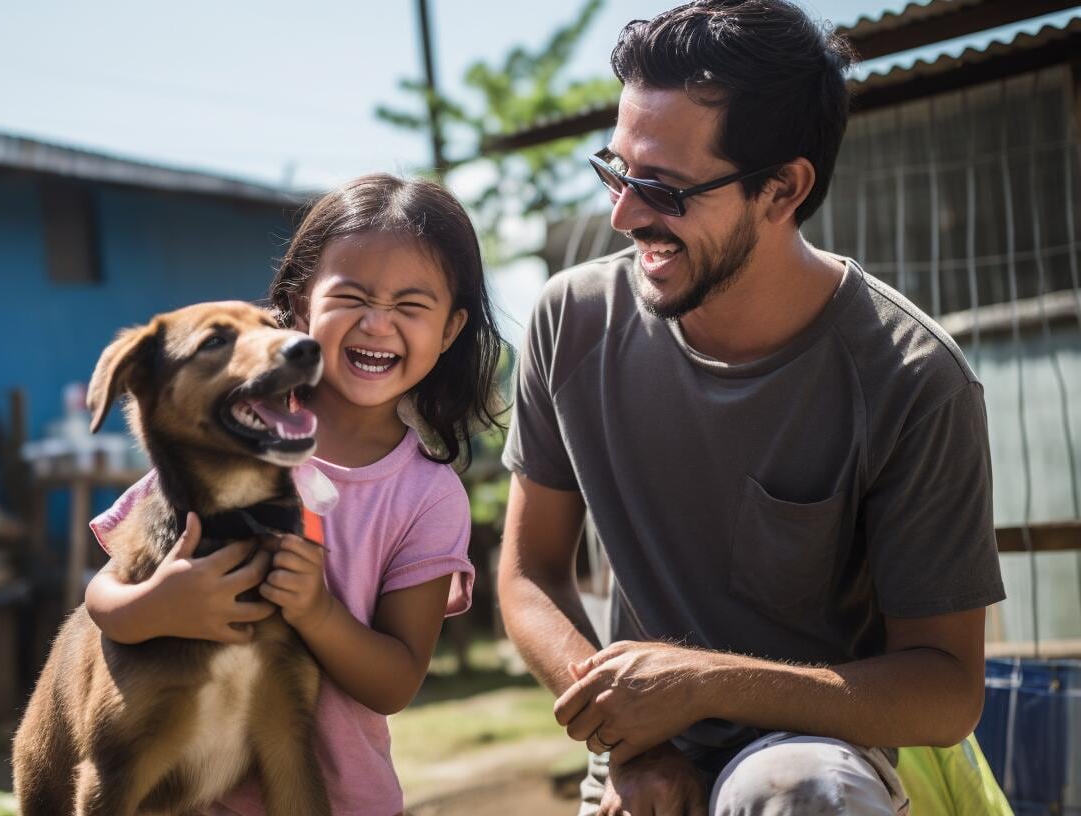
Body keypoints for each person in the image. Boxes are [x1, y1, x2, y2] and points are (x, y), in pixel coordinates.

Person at [497, 1, 1005, 813]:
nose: (623, 215)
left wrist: (706, 685)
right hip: (636, 764)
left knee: (790, 788)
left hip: (818, 759)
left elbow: (947, 692)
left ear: (783, 189)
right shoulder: (571, 321)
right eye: (616, 171)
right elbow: (528, 573)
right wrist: (634, 741)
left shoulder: (913, 380)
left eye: (661, 188)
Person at [82, 173, 505, 815]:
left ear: (449, 331)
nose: (377, 323)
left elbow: (395, 681)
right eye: (352, 296)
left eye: (411, 307)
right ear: (301, 305)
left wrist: (317, 611)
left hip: (345, 798)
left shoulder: (427, 495)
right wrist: (155, 606)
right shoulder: (233, 431)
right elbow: (103, 593)